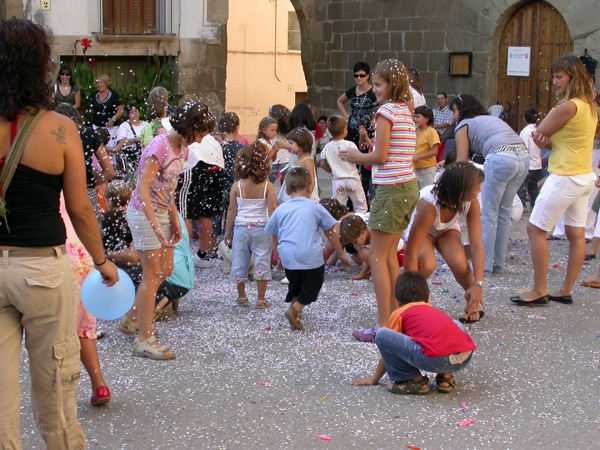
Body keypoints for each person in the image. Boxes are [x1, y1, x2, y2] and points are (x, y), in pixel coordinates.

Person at [0, 18, 118, 448]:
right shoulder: (59, 129)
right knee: (55, 385)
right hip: (41, 269)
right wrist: (102, 263)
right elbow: (81, 209)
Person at [123, 101, 215, 360]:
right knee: (152, 274)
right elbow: (142, 190)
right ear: (189, 126)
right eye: (200, 133)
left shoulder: (182, 149)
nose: (200, 140)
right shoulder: (159, 146)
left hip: (162, 213)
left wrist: (174, 219)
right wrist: (157, 226)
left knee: (166, 269)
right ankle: (144, 337)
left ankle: (132, 319)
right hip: (144, 215)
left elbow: (169, 188)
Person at [338, 59, 420, 343]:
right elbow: (393, 153)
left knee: (376, 256)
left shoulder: (386, 111)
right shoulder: (406, 111)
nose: (374, 90)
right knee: (387, 257)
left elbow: (381, 158)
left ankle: (385, 324)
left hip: (392, 190)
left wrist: (357, 156)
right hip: (407, 187)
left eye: (378, 84)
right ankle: (397, 317)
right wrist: (370, 148)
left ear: (391, 85)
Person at [511, 54, 598, 306]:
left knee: (535, 229)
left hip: (565, 176)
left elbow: (540, 131)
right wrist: (546, 141)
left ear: (573, 77)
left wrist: (542, 139)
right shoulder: (589, 106)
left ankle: (539, 289)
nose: (555, 82)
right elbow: (563, 140)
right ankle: (565, 289)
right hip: (583, 176)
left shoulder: (567, 106)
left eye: (559, 77)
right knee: (576, 233)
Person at [351, 271, 476, 395]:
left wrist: (374, 378)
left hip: (436, 359)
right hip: (464, 357)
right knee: (455, 325)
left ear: (398, 301)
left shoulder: (400, 313)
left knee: (382, 334)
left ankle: (412, 379)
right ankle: (445, 377)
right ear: (428, 297)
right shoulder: (434, 311)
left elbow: (389, 347)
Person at [265, 167, 352, 330]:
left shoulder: (281, 209)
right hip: (310, 255)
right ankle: (295, 309)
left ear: (288, 189)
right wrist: (340, 253)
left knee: (295, 284)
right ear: (310, 187)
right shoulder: (315, 207)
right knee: (313, 284)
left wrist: (278, 255)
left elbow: (273, 234)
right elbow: (331, 232)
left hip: (288, 255)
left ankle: (295, 312)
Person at [451, 94, 528, 275]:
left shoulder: (463, 124)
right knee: (503, 212)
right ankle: (498, 264)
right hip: (523, 157)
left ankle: (483, 266)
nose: (453, 116)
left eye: (454, 111)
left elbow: (461, 161)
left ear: (462, 110)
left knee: (488, 213)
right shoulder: (490, 119)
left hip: (500, 157)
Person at [404, 162, 485, 323]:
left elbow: (476, 244)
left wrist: (478, 284)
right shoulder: (429, 204)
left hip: (446, 227)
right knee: (427, 265)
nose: (480, 191)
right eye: (476, 188)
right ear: (461, 193)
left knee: (459, 262)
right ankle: (409, 301)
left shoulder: (472, 202)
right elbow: (411, 251)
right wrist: (410, 288)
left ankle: (473, 301)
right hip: (422, 229)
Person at [59, 197, 111, 407]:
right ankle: (99, 384)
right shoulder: (57, 171)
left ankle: (60, 393)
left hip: (55, 256)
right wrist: (101, 260)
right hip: (82, 254)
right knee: (83, 328)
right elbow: (81, 210)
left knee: (57, 333)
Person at [223, 143, 277, 308]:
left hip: (241, 228)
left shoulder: (237, 186)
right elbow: (273, 209)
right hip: (262, 228)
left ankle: (242, 297)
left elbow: (232, 210)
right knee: (262, 262)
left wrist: (227, 232)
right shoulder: (268, 186)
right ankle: (261, 299)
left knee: (239, 262)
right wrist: (276, 232)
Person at [54, 104, 115, 220]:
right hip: (86, 194)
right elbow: (110, 171)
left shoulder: (55, 136)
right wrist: (90, 185)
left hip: (59, 197)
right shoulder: (89, 133)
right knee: (91, 233)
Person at [318, 115, 368, 214]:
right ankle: (360, 225)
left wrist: (332, 171)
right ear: (345, 130)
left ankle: (341, 226)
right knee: (360, 207)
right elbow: (359, 159)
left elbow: (322, 163)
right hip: (353, 179)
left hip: (338, 181)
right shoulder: (350, 144)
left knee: (339, 209)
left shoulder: (328, 146)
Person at [336, 61, 377, 147]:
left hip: (367, 130)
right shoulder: (352, 90)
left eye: (362, 75)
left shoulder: (374, 91)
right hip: (352, 129)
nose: (359, 78)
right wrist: (345, 114)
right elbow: (340, 101)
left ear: (368, 76)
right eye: (356, 75)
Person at [517, 108, 544, 210]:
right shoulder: (539, 130)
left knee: (522, 185)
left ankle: (522, 206)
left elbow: (524, 148)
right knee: (533, 186)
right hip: (537, 163)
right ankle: (534, 205)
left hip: (528, 163)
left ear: (524, 119)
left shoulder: (525, 132)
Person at [111, 104, 148, 174]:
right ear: (128, 115)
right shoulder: (124, 126)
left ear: (139, 113)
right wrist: (134, 140)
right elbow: (121, 142)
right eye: (132, 112)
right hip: (130, 153)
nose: (134, 113)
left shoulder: (145, 124)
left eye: (136, 111)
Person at [286, 127, 319, 202]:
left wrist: (307, 197)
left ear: (301, 143)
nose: (289, 146)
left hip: (306, 196)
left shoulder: (307, 160)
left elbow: (312, 181)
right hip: (297, 194)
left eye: (291, 143)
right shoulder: (296, 157)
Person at [91, 74, 124, 148]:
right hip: (97, 126)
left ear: (106, 84)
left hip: (110, 128)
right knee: (97, 147)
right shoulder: (94, 95)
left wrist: (113, 119)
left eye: (101, 82)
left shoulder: (113, 95)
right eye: (97, 83)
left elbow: (121, 110)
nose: (99, 85)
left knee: (111, 147)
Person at [412, 105, 440, 189]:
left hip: (427, 170)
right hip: (414, 169)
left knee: (426, 193)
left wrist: (418, 156)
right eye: (414, 116)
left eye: (418, 117)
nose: (415, 119)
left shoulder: (431, 132)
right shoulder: (413, 131)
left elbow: (435, 151)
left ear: (427, 119)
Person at [268, 104, 292, 186]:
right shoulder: (289, 129)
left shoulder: (270, 129)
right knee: (287, 189)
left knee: (266, 187)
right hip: (287, 161)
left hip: (274, 163)